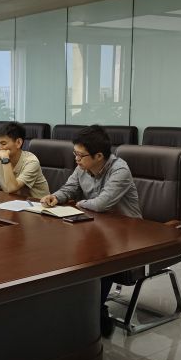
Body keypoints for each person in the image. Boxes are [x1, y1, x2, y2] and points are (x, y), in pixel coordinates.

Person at [39, 125, 141, 338]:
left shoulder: (119, 170)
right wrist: (56, 197)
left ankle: (94, 312)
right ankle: (80, 308)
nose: (76, 159)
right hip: (96, 228)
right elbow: (70, 188)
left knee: (99, 260)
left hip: (127, 234)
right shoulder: (82, 167)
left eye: (80, 155)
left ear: (99, 156)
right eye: (74, 153)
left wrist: (79, 204)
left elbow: (102, 204)